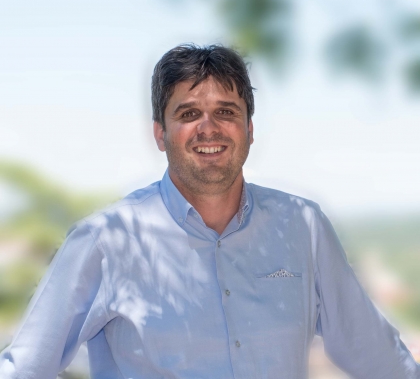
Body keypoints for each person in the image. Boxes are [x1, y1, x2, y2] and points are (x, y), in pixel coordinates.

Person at [0, 44, 419, 379]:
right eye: (188, 114)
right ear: (160, 134)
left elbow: (378, 357)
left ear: (249, 130)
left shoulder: (303, 227)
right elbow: (25, 368)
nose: (208, 127)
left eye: (226, 112)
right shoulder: (105, 241)